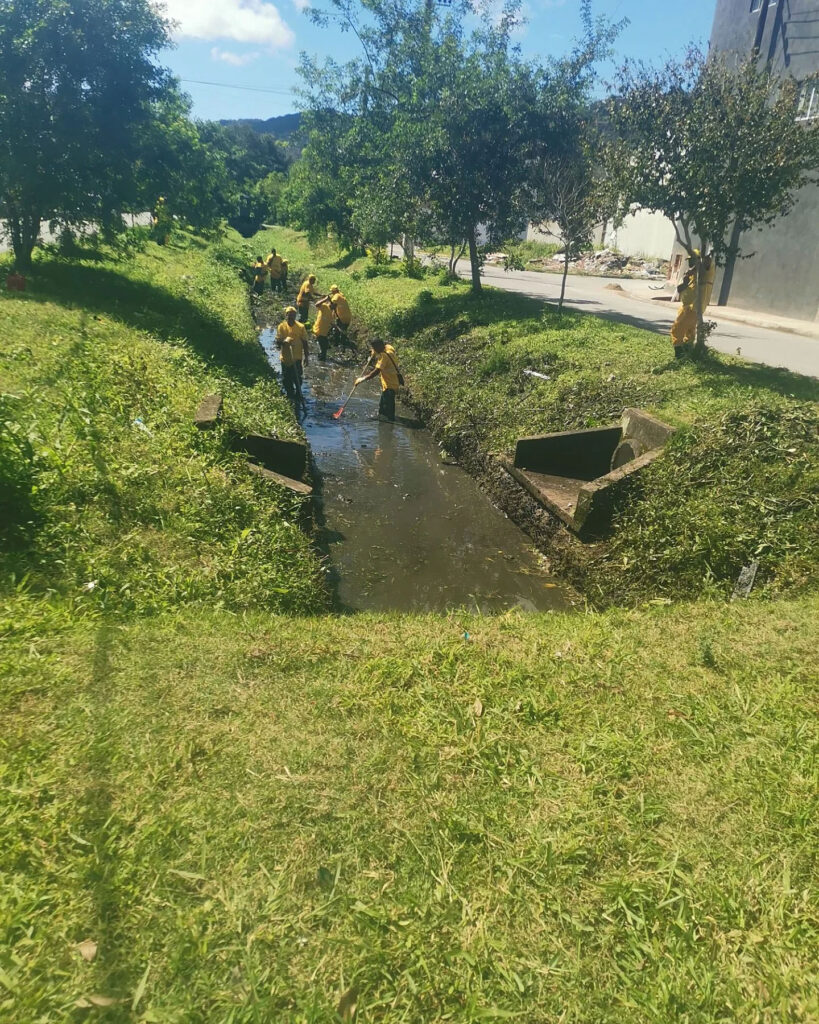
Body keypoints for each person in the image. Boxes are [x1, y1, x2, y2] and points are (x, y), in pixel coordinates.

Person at [670, 249, 716, 358]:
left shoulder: (705, 273)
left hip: (694, 306)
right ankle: (688, 352)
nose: (690, 263)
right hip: (685, 307)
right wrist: (685, 281)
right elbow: (679, 289)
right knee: (689, 331)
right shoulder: (689, 274)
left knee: (677, 329)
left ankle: (679, 354)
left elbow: (707, 261)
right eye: (689, 260)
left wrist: (695, 267)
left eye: (693, 260)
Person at [355, 338, 403, 422]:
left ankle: (388, 425)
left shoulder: (384, 357)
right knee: (383, 406)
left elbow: (376, 371)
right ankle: (384, 420)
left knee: (387, 408)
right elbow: (387, 348)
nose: (375, 350)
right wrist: (374, 352)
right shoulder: (388, 348)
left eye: (375, 348)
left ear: (380, 346)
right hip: (389, 383)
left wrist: (362, 379)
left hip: (390, 385)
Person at [276, 307, 309, 406]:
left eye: (292, 315)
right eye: (289, 314)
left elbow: (305, 342)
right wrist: (284, 341)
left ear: (295, 316)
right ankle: (290, 395)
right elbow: (278, 342)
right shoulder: (281, 326)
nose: (290, 316)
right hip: (286, 358)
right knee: (286, 379)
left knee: (297, 378)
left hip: (297, 358)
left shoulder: (301, 327)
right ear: (286, 316)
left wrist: (307, 357)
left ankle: (298, 394)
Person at [329, 285, 354, 349]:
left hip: (342, 317)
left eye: (332, 292)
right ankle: (343, 344)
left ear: (333, 291)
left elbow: (331, 305)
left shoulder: (336, 296)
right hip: (347, 317)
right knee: (343, 331)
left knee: (337, 330)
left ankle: (336, 344)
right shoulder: (341, 295)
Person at [312, 296, 334, 361]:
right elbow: (317, 304)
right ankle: (322, 359)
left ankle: (321, 357)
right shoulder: (324, 306)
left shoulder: (332, 312)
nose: (335, 306)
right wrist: (325, 299)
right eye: (334, 304)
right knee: (324, 347)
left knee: (325, 346)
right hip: (319, 331)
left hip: (324, 333)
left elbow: (331, 322)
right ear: (330, 303)